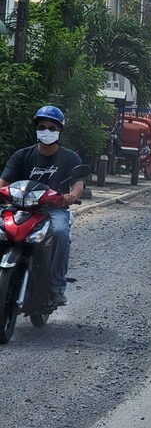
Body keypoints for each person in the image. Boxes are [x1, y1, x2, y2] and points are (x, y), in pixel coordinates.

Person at [0, 106, 85, 306]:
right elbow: (3, 183)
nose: (46, 131)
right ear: (36, 129)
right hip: (20, 209)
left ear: (59, 130)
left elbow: (78, 184)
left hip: (53, 210)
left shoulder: (70, 157)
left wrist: (72, 196)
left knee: (61, 233)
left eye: (52, 128)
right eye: (42, 127)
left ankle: (56, 288)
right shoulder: (22, 156)